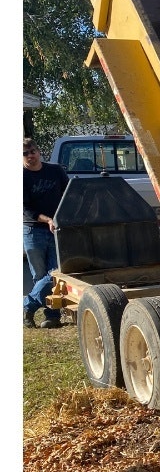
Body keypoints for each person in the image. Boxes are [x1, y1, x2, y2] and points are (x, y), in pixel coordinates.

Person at [23, 137, 68, 329]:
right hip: (33, 231)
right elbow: (26, 209)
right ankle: (51, 314)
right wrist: (47, 219)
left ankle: (34, 309)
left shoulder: (55, 170)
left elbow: (68, 194)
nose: (30, 156)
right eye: (25, 154)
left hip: (57, 230)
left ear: (39, 151)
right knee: (40, 275)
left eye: (32, 151)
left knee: (55, 274)